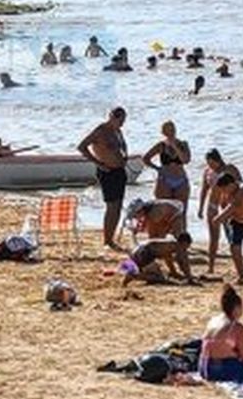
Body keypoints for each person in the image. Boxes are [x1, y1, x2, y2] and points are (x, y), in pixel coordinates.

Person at [76, 107, 129, 251]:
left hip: (119, 171)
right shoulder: (100, 131)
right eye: (120, 120)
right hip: (107, 171)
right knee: (111, 206)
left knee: (118, 206)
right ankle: (107, 240)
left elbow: (122, 148)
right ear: (112, 117)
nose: (122, 124)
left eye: (124, 120)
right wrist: (98, 162)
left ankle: (111, 238)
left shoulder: (118, 131)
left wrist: (124, 157)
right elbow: (82, 147)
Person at [213, 172, 243, 284]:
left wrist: (219, 218)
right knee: (234, 247)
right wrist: (222, 216)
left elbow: (234, 205)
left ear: (232, 184)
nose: (223, 192)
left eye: (224, 189)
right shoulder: (226, 192)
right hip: (236, 223)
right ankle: (241, 276)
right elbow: (224, 205)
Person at [197, 149, 240, 273]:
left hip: (227, 207)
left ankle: (237, 267)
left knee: (231, 237)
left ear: (218, 159)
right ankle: (211, 267)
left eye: (211, 162)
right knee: (213, 238)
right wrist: (200, 208)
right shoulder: (207, 172)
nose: (210, 165)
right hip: (213, 206)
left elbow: (239, 185)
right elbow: (204, 190)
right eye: (208, 162)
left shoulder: (229, 169)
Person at [142, 121, 191, 211]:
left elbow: (186, 160)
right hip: (165, 180)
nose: (171, 132)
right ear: (164, 132)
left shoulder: (183, 144)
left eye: (172, 129)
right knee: (163, 211)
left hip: (181, 180)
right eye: (168, 130)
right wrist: (157, 168)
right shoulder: (161, 145)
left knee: (181, 211)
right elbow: (145, 158)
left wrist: (175, 146)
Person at [123, 233, 197, 286]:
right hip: (144, 253)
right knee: (159, 278)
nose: (186, 249)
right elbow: (182, 263)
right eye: (187, 246)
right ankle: (134, 276)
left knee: (158, 274)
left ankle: (132, 275)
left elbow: (169, 261)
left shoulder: (169, 243)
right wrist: (189, 277)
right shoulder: (176, 246)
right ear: (183, 243)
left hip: (137, 251)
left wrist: (175, 273)